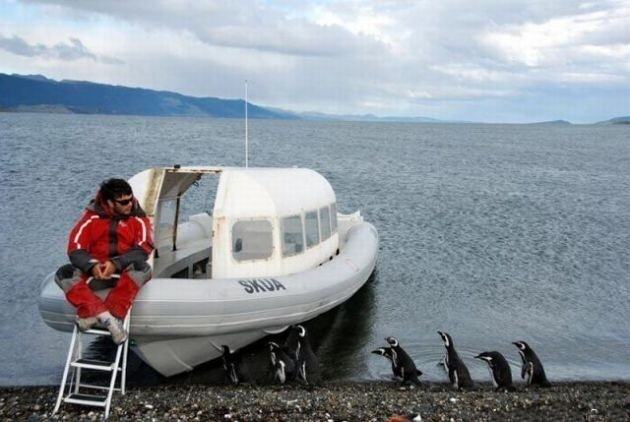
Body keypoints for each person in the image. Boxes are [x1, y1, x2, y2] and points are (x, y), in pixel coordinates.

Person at [54, 178, 154, 344]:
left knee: (142, 268)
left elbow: (144, 247)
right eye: (123, 202)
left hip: (123, 268)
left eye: (130, 199)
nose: (130, 204)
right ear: (109, 202)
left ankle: (104, 314)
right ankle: (108, 319)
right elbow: (75, 247)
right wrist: (91, 265)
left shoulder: (138, 218)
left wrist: (116, 264)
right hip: (95, 269)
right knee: (64, 273)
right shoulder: (90, 218)